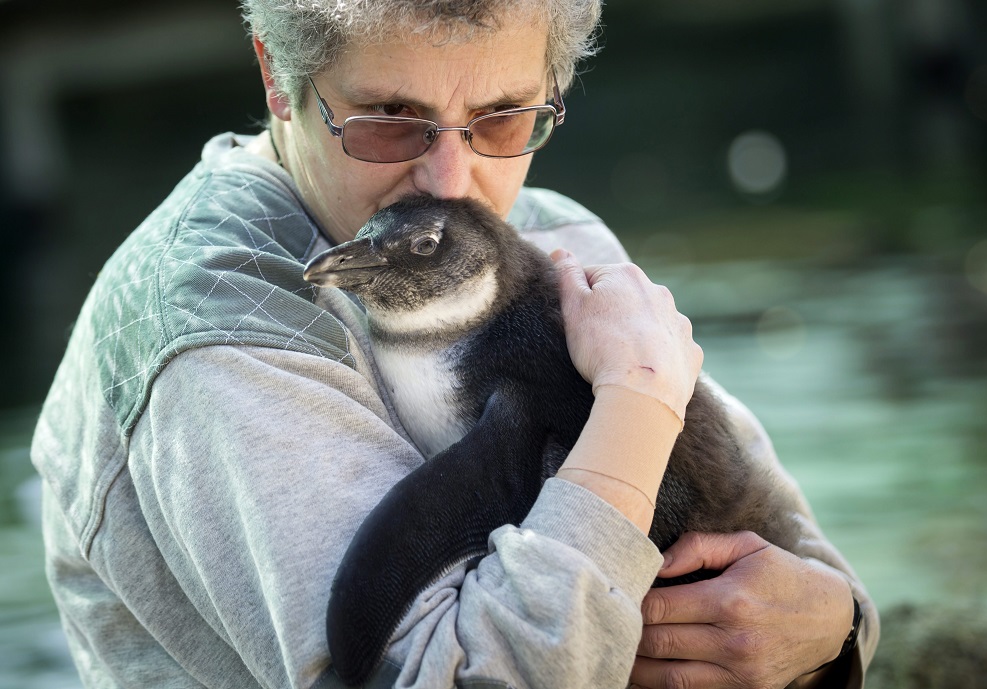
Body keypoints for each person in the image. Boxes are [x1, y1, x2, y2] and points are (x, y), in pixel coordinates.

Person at [30, 1, 878, 688]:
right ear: (278, 80)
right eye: (390, 121)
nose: (450, 180)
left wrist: (829, 633)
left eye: (502, 119)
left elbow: (792, 552)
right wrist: (636, 402)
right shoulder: (220, 325)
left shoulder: (550, 232)